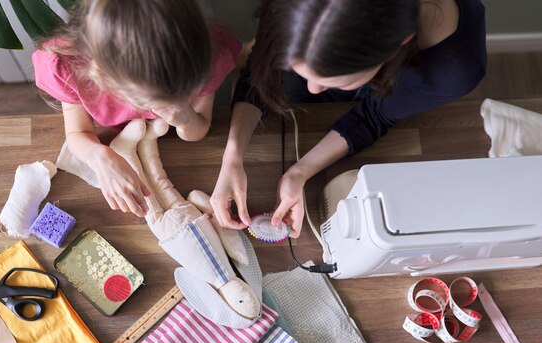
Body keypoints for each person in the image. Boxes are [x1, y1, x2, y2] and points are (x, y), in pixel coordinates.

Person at [211, 0, 486, 238]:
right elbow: (262, 66)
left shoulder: (455, 69)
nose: (312, 89)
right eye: (301, 71)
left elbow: (374, 116)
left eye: (332, 80)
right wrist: (232, 158)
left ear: (397, 46)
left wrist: (301, 171)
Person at [32, 0, 242, 217]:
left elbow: (199, 129)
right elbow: (77, 133)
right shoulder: (68, 67)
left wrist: (183, 116)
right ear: (100, 75)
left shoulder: (207, 57)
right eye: (147, 101)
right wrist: (99, 156)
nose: (159, 108)